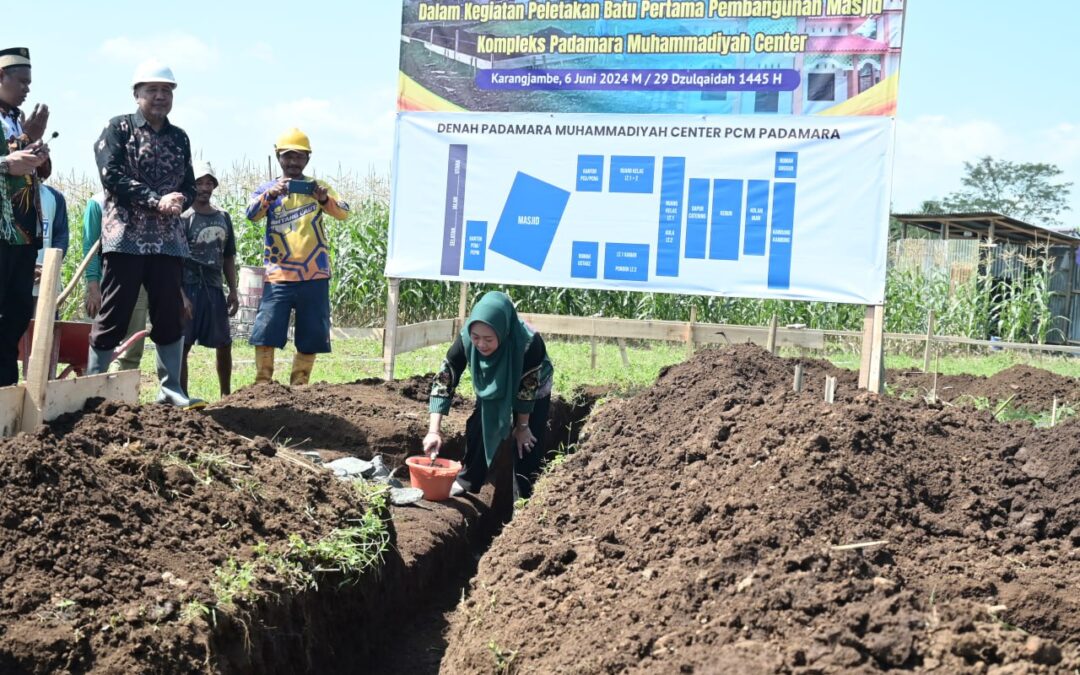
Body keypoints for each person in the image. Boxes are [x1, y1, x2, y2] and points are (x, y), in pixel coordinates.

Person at [85, 60, 203, 409]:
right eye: (151, 90)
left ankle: (170, 391)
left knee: (168, 313)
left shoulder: (179, 137)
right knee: (115, 313)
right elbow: (112, 176)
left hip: (168, 242)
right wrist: (155, 200)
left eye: (166, 91)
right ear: (136, 94)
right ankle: (93, 389)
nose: (159, 97)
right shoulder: (117, 128)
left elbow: (190, 183)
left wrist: (182, 199)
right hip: (125, 239)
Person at [423, 291, 555, 499]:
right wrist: (434, 430)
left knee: (527, 443)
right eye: (476, 338)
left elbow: (526, 390)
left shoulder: (529, 343)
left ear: (502, 333)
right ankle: (468, 480)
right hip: (493, 381)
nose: (481, 345)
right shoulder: (466, 338)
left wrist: (522, 427)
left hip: (533, 386)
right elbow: (446, 377)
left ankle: (524, 497)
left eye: (488, 339)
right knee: (479, 425)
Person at [245, 128, 349, 386]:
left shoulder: (318, 188)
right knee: (266, 329)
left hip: (315, 274)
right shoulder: (267, 189)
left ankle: (300, 384)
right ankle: (262, 383)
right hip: (278, 274)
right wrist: (270, 195)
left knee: (312, 332)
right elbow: (251, 214)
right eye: (287, 157)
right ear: (278, 157)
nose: (293, 162)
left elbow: (343, 212)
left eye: (299, 157)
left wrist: (324, 199)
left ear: (308, 159)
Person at [0, 47, 49, 387]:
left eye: (29, 83)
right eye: (21, 81)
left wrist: (38, 151)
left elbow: (31, 173)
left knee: (16, 313)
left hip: (23, 234)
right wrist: (6, 162)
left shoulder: (17, 119)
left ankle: (5, 388)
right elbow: (9, 164)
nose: (27, 89)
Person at [180, 160, 238, 397]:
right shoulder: (184, 218)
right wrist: (180, 295)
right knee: (182, 345)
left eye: (209, 183)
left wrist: (233, 290)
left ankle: (226, 394)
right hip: (189, 286)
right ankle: (181, 396)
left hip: (214, 287)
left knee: (224, 343)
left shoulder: (223, 217)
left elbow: (228, 256)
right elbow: (174, 261)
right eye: (199, 183)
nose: (204, 188)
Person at [83, 191, 148, 371]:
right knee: (104, 336)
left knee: (132, 343)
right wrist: (93, 287)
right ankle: (97, 381)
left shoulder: (143, 199)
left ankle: (122, 390)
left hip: (139, 280)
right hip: (107, 281)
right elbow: (90, 246)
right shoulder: (97, 203)